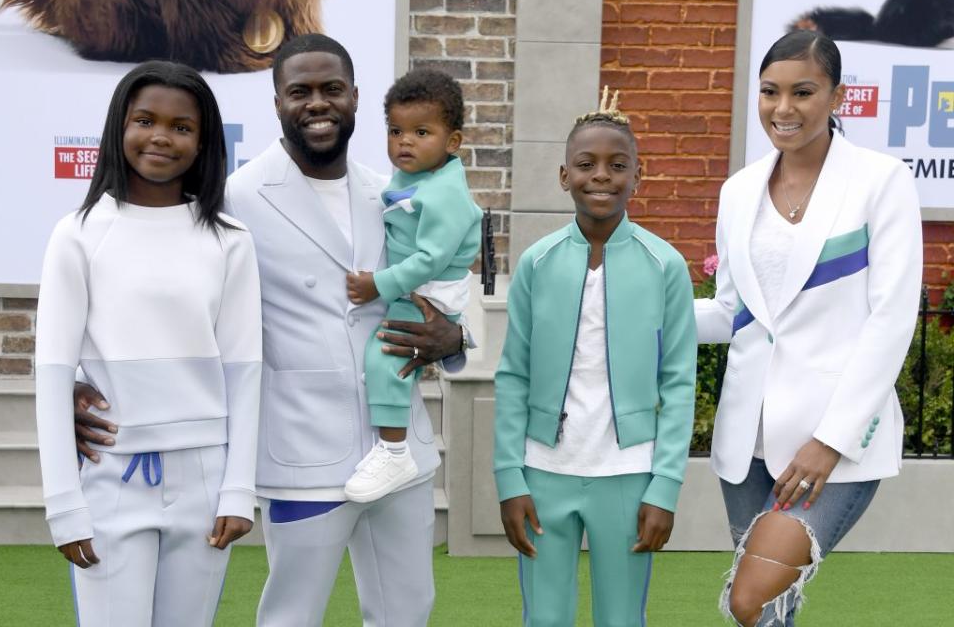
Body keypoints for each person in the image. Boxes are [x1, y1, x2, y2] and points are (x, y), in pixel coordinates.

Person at [71, 34, 467, 627]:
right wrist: (81, 379)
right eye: (300, 91)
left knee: (407, 610)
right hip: (301, 451)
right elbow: (162, 291)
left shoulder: (392, 189)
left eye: (332, 90)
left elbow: (452, 269)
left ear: (356, 97)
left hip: (397, 447)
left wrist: (458, 340)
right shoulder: (236, 199)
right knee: (291, 614)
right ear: (276, 100)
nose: (318, 104)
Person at [694, 30, 922, 626]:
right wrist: (633, 312)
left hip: (833, 444)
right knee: (771, 614)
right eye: (770, 92)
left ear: (837, 96)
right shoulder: (739, 190)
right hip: (749, 440)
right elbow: (731, 313)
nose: (783, 108)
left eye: (803, 91)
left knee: (751, 600)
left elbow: (892, 318)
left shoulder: (880, 180)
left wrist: (831, 440)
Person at [35, 61, 262, 626]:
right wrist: (64, 504)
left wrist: (238, 491)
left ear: (204, 142)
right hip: (112, 478)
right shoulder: (79, 233)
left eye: (181, 127)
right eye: (145, 120)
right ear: (119, 127)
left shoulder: (230, 241)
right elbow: (53, 370)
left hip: (205, 482)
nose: (161, 136)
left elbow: (246, 369)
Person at [493, 87, 697, 626]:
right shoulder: (537, 263)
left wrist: (665, 485)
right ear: (565, 176)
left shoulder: (665, 265)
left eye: (616, 164)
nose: (601, 175)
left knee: (622, 619)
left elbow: (678, 383)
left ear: (637, 174)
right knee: (545, 618)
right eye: (585, 164)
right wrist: (510, 478)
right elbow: (513, 374)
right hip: (544, 472)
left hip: (629, 475)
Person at [345, 69, 482, 503]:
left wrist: (377, 286)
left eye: (421, 132)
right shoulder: (416, 177)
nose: (404, 141)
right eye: (395, 130)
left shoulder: (445, 194)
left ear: (453, 142)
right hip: (419, 287)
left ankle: (393, 450)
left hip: (429, 293)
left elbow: (430, 260)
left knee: (386, 352)